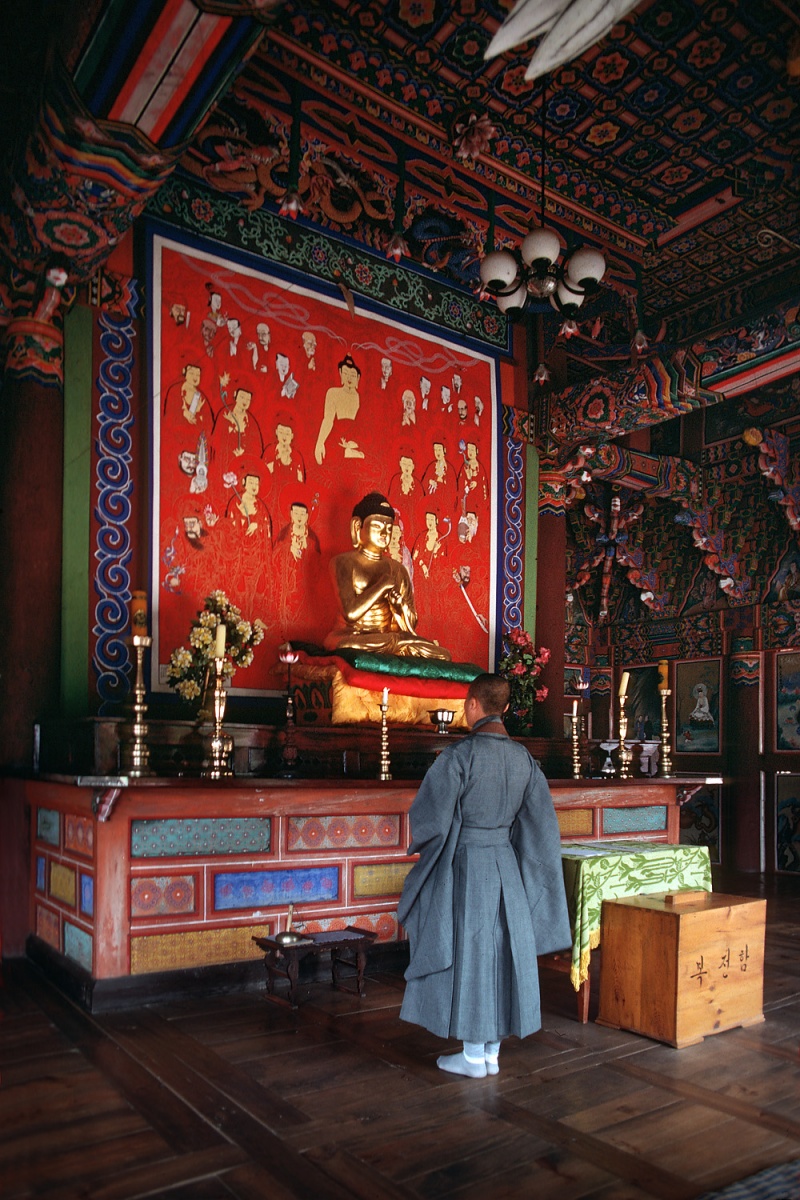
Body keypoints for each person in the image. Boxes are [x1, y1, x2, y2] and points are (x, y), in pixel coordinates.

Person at [397, 673, 571, 1077]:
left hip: (467, 864)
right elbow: (542, 827)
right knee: (502, 950)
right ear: (506, 709)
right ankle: (491, 1052)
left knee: (471, 951)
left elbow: (432, 822)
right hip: (506, 864)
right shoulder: (525, 760)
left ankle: (474, 1055)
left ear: (472, 704)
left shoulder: (458, 758)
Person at [325, 491, 450, 659]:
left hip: (389, 638)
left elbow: (410, 624)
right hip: (353, 636)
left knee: (442, 655)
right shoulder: (343, 562)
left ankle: (395, 646)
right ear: (357, 526)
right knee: (344, 644)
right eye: (377, 526)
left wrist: (400, 608)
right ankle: (394, 646)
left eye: (389, 528)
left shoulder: (398, 569)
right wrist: (381, 585)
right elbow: (351, 613)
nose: (384, 534)